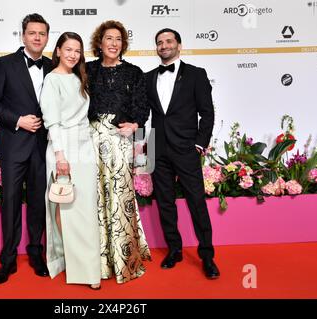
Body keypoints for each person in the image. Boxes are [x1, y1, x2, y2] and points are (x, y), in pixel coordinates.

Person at [144, 28, 220, 279]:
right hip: (157, 148)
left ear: (179, 45)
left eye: (168, 41)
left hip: (186, 149)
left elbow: (207, 113)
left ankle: (207, 255)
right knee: (165, 203)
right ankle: (174, 249)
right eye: (159, 42)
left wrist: (199, 144)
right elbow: (141, 113)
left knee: (196, 203)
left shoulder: (196, 75)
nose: (164, 45)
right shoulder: (148, 77)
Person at [0, 13, 51, 285]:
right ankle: (8, 260)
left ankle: (36, 253)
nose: (37, 38)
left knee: (38, 203)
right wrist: (17, 120)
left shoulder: (53, 66)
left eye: (42, 34)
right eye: (32, 33)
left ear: (47, 38)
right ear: (23, 35)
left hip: (43, 145)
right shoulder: (5, 64)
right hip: (13, 144)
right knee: (11, 202)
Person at [87, 20, 151, 284]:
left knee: (120, 196)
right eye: (108, 38)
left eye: (118, 39)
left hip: (120, 139)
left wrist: (135, 124)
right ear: (99, 43)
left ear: (123, 44)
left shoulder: (135, 72)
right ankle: (96, 261)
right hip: (90, 140)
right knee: (93, 197)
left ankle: (124, 258)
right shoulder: (86, 70)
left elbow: (142, 107)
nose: (113, 43)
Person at [40, 32, 101, 290]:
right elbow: (51, 120)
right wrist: (60, 156)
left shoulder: (79, 77)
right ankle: (82, 271)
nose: (73, 55)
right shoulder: (52, 80)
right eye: (68, 49)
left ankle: (88, 267)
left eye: (77, 51)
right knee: (69, 211)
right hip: (63, 148)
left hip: (85, 148)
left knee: (85, 211)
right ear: (57, 51)